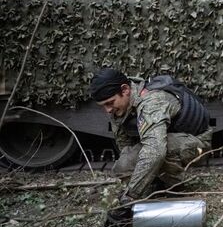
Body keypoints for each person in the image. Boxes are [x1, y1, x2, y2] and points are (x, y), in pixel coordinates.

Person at [90, 68, 213, 202]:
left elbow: (155, 151)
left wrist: (130, 196)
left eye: (110, 103)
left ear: (125, 90)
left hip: (197, 145)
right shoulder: (119, 108)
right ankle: (156, 183)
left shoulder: (153, 102)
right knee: (124, 165)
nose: (107, 110)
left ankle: (175, 189)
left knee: (160, 148)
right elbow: (126, 149)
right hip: (171, 140)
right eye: (103, 106)